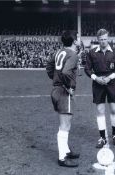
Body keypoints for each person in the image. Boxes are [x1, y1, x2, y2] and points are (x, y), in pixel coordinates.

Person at [84, 29, 115, 148]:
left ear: (108, 38)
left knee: (113, 109)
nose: (103, 41)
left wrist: (110, 77)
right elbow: (87, 69)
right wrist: (96, 78)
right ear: (98, 40)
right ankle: (102, 137)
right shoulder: (92, 52)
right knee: (100, 110)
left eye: (105, 39)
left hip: (112, 83)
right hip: (98, 84)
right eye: (101, 40)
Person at [46, 30, 80, 167]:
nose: (78, 39)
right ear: (74, 40)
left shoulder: (58, 52)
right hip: (63, 91)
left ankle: (65, 150)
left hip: (56, 90)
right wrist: (70, 86)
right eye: (77, 37)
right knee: (65, 125)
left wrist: (55, 78)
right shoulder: (73, 54)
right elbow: (66, 72)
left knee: (66, 122)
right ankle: (62, 158)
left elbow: (49, 67)